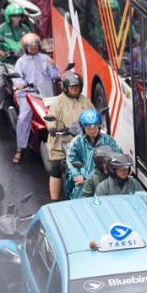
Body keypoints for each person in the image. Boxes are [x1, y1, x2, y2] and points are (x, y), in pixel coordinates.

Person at [45, 72, 94, 200]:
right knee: (56, 168)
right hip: (61, 141)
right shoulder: (58, 101)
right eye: (72, 86)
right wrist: (52, 128)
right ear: (66, 87)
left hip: (81, 141)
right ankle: (54, 200)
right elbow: (50, 117)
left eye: (77, 86)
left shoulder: (85, 101)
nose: (75, 89)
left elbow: (93, 114)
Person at [13, 33, 60, 164]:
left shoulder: (46, 58)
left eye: (36, 45)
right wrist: (20, 83)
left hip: (45, 93)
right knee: (23, 118)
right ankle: (20, 148)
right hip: (27, 94)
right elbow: (17, 77)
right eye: (31, 46)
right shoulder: (21, 62)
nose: (34, 48)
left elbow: (55, 76)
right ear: (25, 47)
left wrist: (53, 66)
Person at [65, 109, 121, 199]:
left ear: (99, 125)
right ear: (82, 127)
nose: (92, 129)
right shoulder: (76, 142)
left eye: (95, 126)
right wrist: (77, 176)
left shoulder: (109, 140)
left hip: (106, 179)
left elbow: (119, 156)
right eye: (88, 127)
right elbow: (71, 163)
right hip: (85, 181)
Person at [0, 4, 32, 114]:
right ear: (9, 17)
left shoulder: (25, 28)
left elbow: (31, 39)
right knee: (0, 86)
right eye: (14, 16)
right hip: (6, 62)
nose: (17, 18)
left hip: (23, 61)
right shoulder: (1, 29)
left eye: (19, 16)